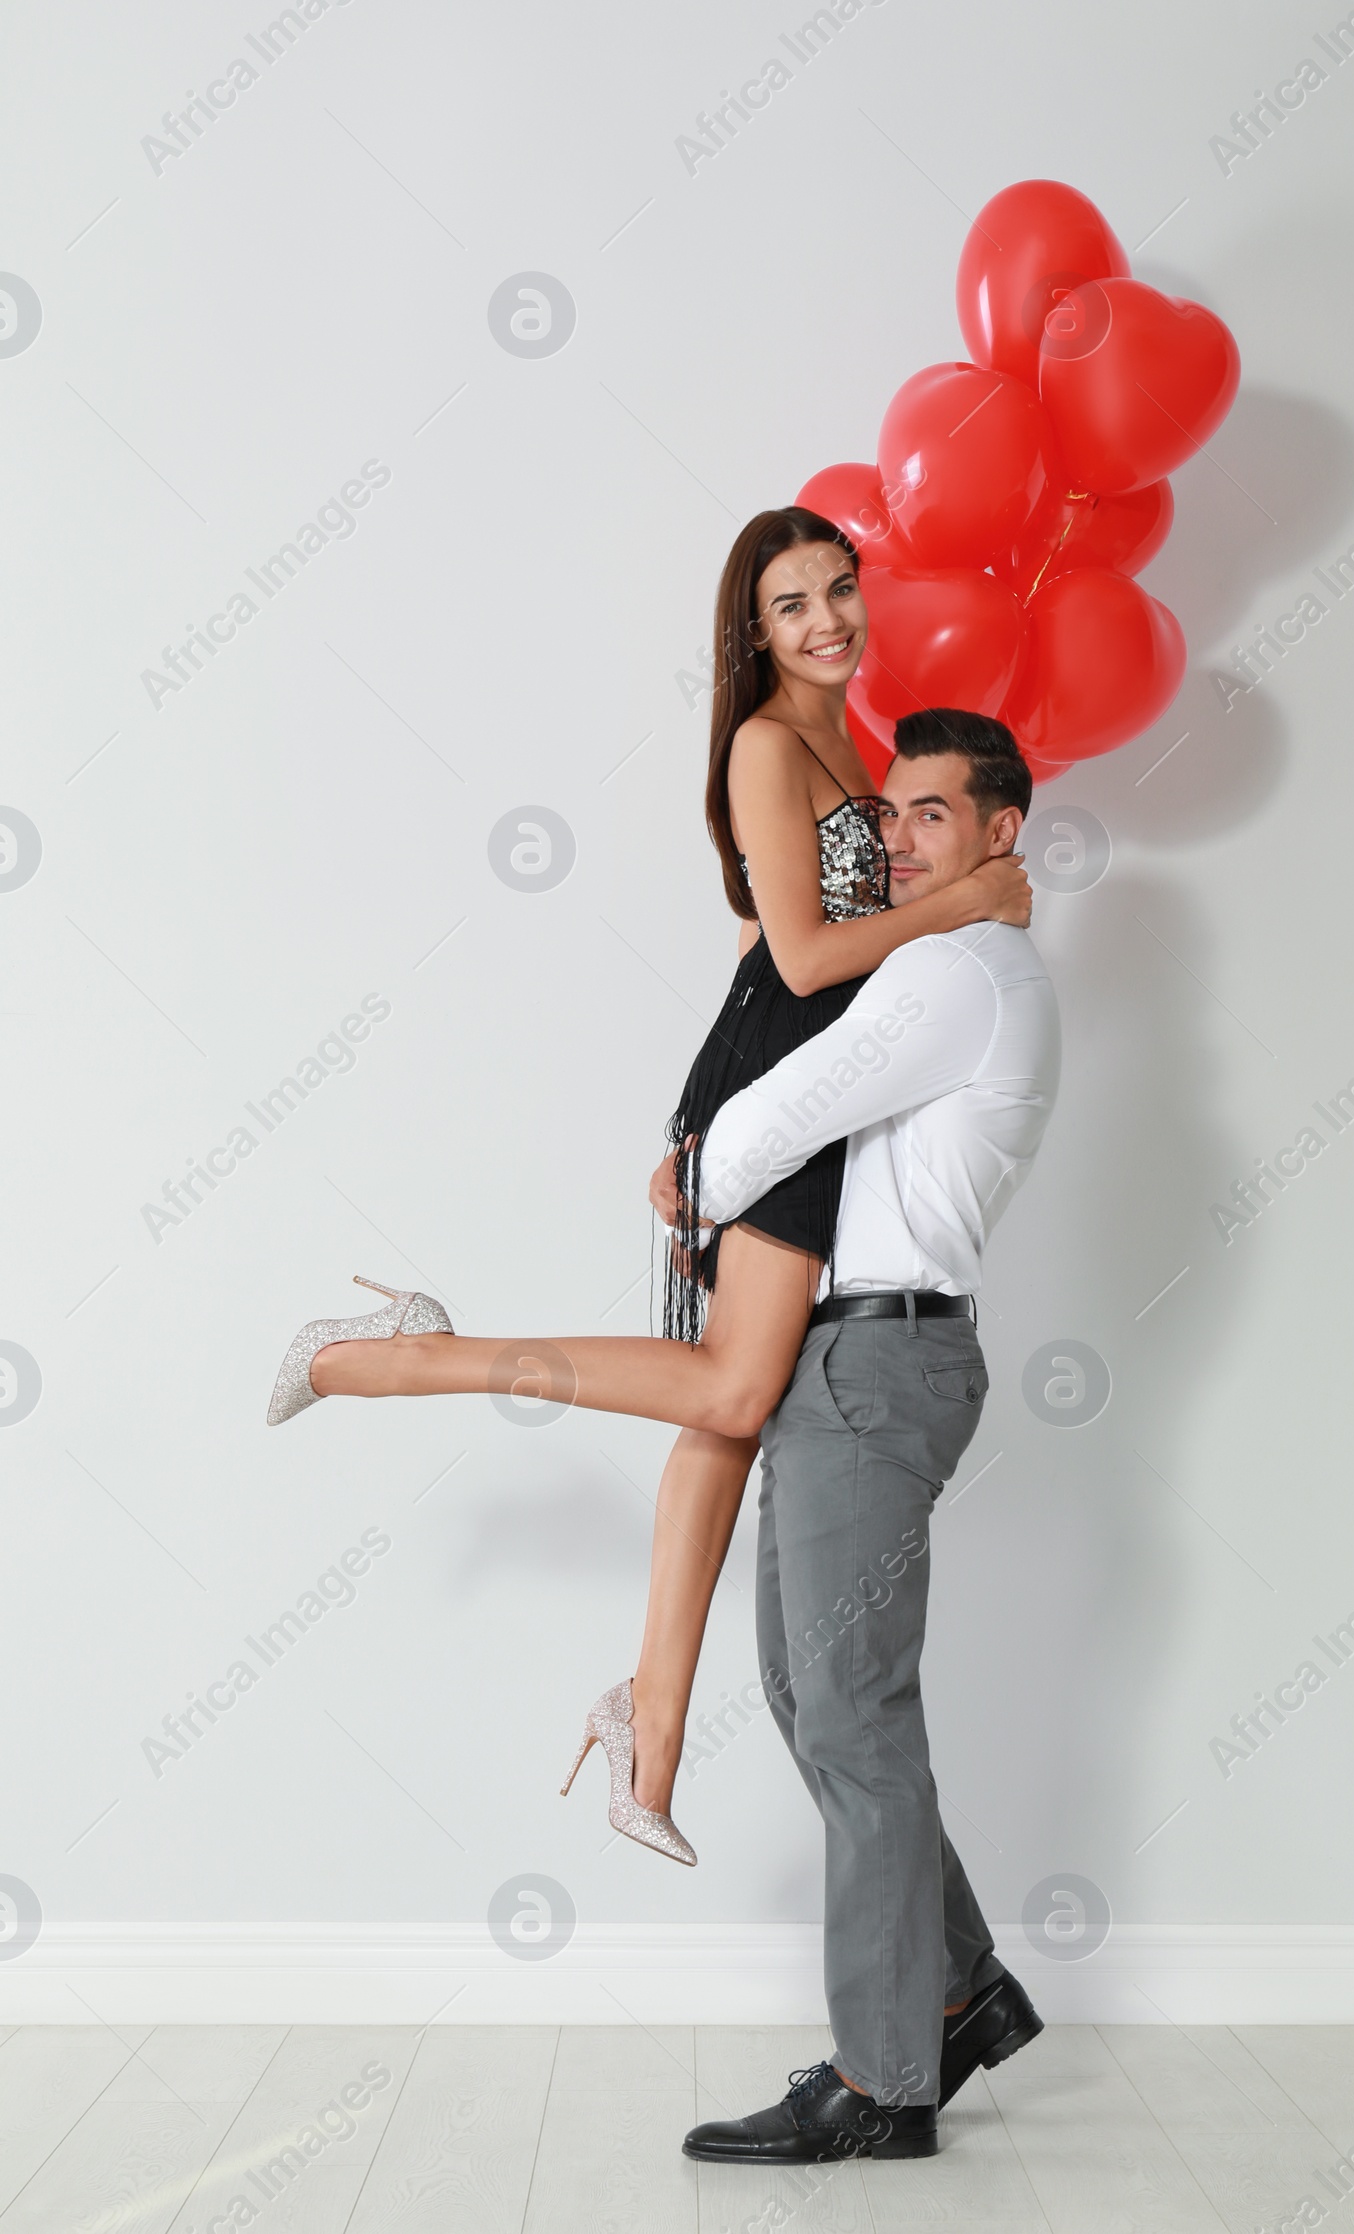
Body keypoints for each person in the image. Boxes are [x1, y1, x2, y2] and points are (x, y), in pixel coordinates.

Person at [265, 507, 1030, 1865]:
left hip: (800, 1088)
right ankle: (406, 1350)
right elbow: (797, 958)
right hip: (781, 1082)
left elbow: (752, 928)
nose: (829, 622)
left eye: (841, 591)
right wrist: (963, 909)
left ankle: (649, 1726)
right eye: (794, 605)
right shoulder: (761, 742)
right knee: (736, 1387)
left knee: (725, 1422)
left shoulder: (860, 742)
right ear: (755, 631)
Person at [675, 708, 1061, 2164]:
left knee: (850, 1711)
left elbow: (785, 1115)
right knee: (808, 1689)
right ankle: (959, 1989)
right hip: (854, 1359)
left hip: (877, 1362)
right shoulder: (946, 958)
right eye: (889, 813)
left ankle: (884, 2076)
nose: (897, 838)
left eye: (934, 816)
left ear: (1002, 833)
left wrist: (697, 1162)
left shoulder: (955, 971)